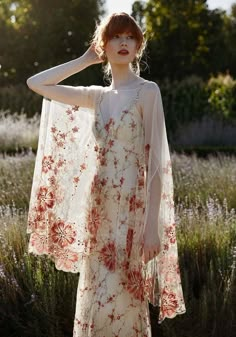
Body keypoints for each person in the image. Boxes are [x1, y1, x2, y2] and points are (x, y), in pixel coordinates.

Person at [26, 12, 186, 337]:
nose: (123, 42)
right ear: (104, 45)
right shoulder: (95, 97)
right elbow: (37, 83)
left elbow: (154, 164)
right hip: (99, 213)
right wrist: (85, 59)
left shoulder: (147, 92)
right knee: (97, 298)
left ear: (138, 46)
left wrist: (152, 226)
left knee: (125, 299)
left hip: (131, 213)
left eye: (130, 37)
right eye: (115, 37)